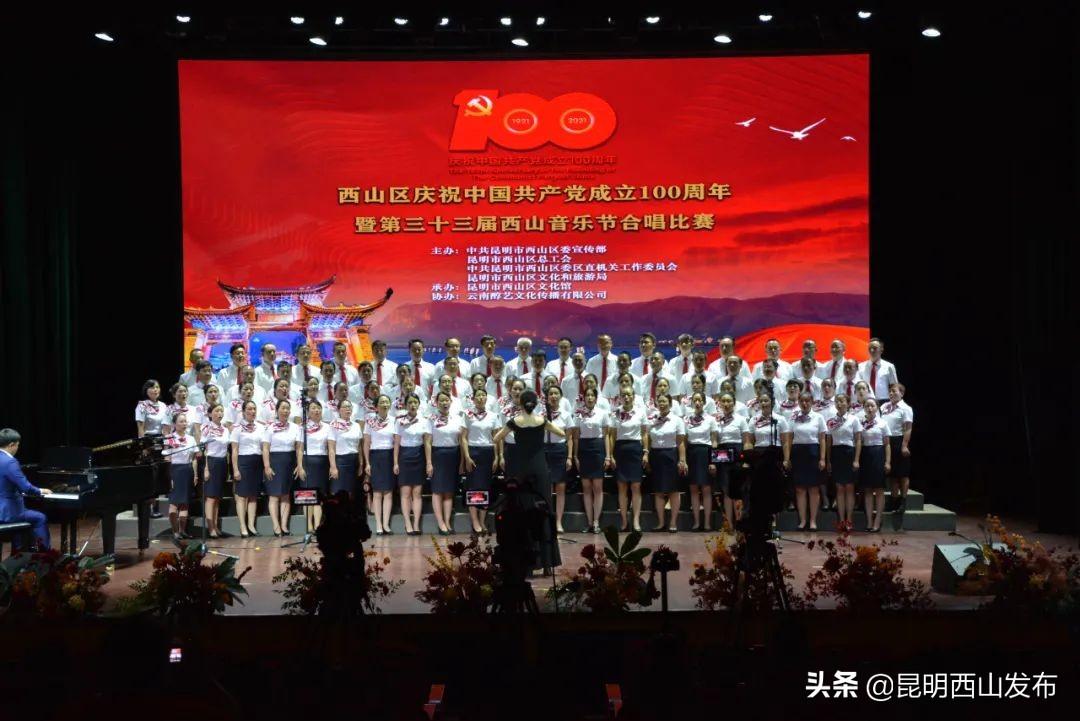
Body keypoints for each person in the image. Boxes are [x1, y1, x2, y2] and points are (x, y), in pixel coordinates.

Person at [492, 390, 565, 575]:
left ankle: (529, 565)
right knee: (544, 511)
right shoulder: (542, 420)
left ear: (521, 404)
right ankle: (547, 564)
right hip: (540, 469)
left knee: (524, 513)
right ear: (536, 403)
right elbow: (562, 433)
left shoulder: (515, 421)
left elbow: (496, 438)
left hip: (522, 471)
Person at [0, 428, 53, 550]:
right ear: (11, 445)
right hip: (6, 514)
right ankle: (45, 553)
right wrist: (40, 490)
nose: (17, 448)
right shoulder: (10, 462)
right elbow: (26, 488)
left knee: (24, 519)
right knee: (40, 518)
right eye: (17, 445)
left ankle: (18, 552)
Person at [745, 393, 792, 532]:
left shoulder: (780, 420)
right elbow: (749, 442)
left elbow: (785, 442)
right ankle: (761, 525)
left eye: (766, 400)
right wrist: (747, 460)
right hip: (759, 456)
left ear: (772, 402)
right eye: (761, 401)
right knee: (759, 491)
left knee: (773, 491)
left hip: (775, 455)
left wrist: (786, 459)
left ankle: (773, 525)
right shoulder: (754, 420)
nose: (764, 403)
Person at [607, 387, 648, 532]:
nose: (626, 397)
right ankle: (624, 521)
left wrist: (646, 452)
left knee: (636, 486)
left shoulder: (640, 412)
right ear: (620, 397)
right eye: (623, 395)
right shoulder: (615, 413)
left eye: (629, 394)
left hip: (635, 449)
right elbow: (612, 436)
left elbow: (644, 434)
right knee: (622, 487)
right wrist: (610, 455)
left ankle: (636, 521)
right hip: (620, 450)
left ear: (634, 396)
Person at [645, 393, 687, 532]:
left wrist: (682, 460)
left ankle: (673, 522)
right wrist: (647, 455)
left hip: (671, 456)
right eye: (660, 402)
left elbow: (681, 442)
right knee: (658, 491)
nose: (662, 404)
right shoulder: (652, 419)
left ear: (670, 403)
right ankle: (661, 522)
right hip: (656, 455)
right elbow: (648, 439)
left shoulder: (677, 420)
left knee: (673, 490)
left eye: (664, 401)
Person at [711, 393, 753, 530]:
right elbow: (714, 441)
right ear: (720, 404)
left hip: (738, 455)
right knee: (726, 490)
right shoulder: (716, 420)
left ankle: (740, 522)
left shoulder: (741, 420)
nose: (726, 404)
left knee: (738, 490)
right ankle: (729, 523)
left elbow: (746, 441)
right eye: (723, 401)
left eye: (729, 401)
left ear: (734, 403)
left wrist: (746, 460)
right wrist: (713, 461)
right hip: (722, 456)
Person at [461, 388, 500, 535]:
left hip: (488, 452)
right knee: (473, 488)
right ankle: (475, 521)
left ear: (486, 398)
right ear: (473, 399)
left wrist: (497, 456)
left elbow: (496, 438)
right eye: (478, 395)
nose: (481, 398)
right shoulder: (468, 415)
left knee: (485, 488)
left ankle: (482, 520)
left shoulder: (493, 416)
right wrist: (467, 457)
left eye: (483, 395)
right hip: (473, 452)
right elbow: (463, 437)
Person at [262, 399, 302, 537]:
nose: (285, 411)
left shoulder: (295, 427)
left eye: (287, 408)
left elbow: (299, 448)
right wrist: (267, 466)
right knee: (274, 495)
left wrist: (299, 464)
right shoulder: (270, 427)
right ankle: (276, 525)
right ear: (277, 410)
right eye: (283, 408)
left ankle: (284, 525)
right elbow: (265, 448)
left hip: (289, 462)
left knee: (285, 495)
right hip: (274, 461)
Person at [571, 387, 608, 534]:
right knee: (586, 487)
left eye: (593, 395)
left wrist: (608, 456)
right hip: (583, 449)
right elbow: (575, 437)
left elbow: (606, 436)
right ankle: (589, 522)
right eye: (588, 395)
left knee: (597, 487)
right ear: (584, 398)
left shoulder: (602, 413)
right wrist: (575, 456)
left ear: (596, 398)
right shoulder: (578, 414)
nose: (590, 398)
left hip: (598, 448)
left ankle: (596, 521)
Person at [789, 392, 827, 531]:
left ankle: (813, 521)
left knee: (813, 489)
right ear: (798, 402)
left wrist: (822, 458)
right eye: (802, 401)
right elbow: (789, 437)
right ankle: (803, 520)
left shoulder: (818, 417)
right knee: (800, 489)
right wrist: (788, 457)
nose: (804, 404)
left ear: (812, 402)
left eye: (807, 401)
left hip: (813, 453)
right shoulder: (793, 417)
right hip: (798, 453)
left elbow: (822, 439)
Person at [430, 391, 464, 535]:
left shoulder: (457, 418)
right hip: (437, 455)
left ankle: (447, 522)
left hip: (453, 454)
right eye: (441, 400)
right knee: (438, 490)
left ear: (451, 401)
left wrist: (462, 461)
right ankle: (440, 523)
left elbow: (462, 440)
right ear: (436, 403)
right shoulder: (431, 419)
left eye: (447, 400)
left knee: (449, 490)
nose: (444, 403)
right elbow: (427, 442)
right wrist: (428, 462)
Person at [854, 398, 891, 533]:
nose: (869, 408)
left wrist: (887, 462)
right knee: (868, 490)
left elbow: (887, 444)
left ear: (877, 407)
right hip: (865, 455)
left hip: (878, 455)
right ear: (864, 408)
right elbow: (858, 441)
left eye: (872, 406)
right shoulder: (860, 423)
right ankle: (869, 521)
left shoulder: (882, 423)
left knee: (879, 490)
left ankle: (877, 520)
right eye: (867, 406)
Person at [683, 392, 718, 532]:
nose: (697, 402)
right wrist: (684, 459)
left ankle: (707, 523)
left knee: (706, 489)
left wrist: (713, 460)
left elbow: (714, 441)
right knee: (693, 488)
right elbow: (684, 440)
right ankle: (697, 522)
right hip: (692, 453)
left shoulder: (710, 419)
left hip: (705, 452)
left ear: (704, 402)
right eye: (695, 400)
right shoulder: (686, 419)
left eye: (700, 400)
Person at [542, 385, 575, 533]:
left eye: (556, 393)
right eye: (551, 394)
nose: (553, 396)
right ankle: (547, 520)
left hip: (560, 450)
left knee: (560, 487)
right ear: (547, 397)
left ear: (560, 396)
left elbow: (570, 438)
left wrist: (569, 457)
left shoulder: (566, 415)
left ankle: (558, 522)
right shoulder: (541, 414)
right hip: (544, 450)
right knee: (546, 488)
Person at [364, 395, 398, 536]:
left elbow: (396, 442)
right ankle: (378, 525)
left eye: (387, 402)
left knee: (388, 492)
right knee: (377, 492)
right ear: (376, 406)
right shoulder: (370, 422)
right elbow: (366, 443)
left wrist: (395, 462)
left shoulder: (394, 421)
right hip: (376, 456)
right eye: (382, 402)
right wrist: (367, 463)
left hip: (389, 456)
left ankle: (386, 525)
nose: (385, 404)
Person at [230, 400, 263, 538]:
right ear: (243, 412)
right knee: (242, 496)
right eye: (249, 409)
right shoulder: (237, 429)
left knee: (253, 496)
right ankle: (242, 526)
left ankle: (251, 525)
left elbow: (264, 446)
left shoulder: (260, 427)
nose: (252, 411)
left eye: (254, 408)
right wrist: (235, 469)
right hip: (243, 462)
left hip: (257, 462)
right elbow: (234, 450)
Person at [164, 411, 200, 542]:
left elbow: (194, 458)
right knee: (173, 506)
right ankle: (175, 531)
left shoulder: (191, 438)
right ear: (174, 424)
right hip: (175, 471)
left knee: (185, 504)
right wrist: (169, 477)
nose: (184, 424)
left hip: (187, 470)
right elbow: (167, 459)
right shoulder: (169, 438)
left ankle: (182, 531)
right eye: (181, 421)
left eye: (185, 421)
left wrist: (195, 474)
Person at [826, 394, 860, 529]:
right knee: (839, 488)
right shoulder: (831, 421)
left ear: (848, 403)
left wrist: (856, 459)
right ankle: (841, 520)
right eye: (837, 401)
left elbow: (858, 440)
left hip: (849, 453)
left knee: (849, 488)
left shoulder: (853, 419)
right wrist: (828, 460)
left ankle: (849, 520)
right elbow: (829, 441)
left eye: (842, 401)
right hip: (836, 454)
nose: (839, 404)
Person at [881, 383, 914, 520]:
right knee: (892, 475)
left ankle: (903, 501)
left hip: (899, 441)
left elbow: (908, 428)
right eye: (890, 391)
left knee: (903, 474)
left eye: (894, 391)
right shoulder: (884, 407)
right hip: (886, 441)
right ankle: (894, 501)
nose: (891, 393)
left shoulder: (906, 408)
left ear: (902, 393)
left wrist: (904, 445)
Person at [300, 400, 332, 534]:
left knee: (320, 495)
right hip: (308, 461)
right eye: (313, 408)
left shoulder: (327, 427)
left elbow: (330, 447)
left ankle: (318, 526)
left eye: (319, 408)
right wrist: (299, 465)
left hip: (322, 462)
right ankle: (309, 525)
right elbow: (299, 448)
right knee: (307, 496)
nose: (317, 410)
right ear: (308, 412)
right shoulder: (303, 427)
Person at [199, 403, 231, 539]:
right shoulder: (206, 428)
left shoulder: (225, 429)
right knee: (211, 497)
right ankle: (210, 527)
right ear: (210, 414)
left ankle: (216, 526)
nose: (220, 413)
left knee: (217, 497)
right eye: (217, 411)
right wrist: (206, 468)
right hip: (211, 462)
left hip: (222, 462)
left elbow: (226, 449)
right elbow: (204, 450)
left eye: (221, 411)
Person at [328, 399, 364, 500]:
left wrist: (361, 464)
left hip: (354, 461)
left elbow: (359, 446)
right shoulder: (334, 425)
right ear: (339, 410)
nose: (348, 409)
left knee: (351, 491)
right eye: (345, 407)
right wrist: (333, 467)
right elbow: (331, 448)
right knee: (337, 491)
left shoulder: (356, 425)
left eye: (349, 407)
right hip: (340, 461)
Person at [859, 337, 900, 403]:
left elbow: (894, 386)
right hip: (866, 402)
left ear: (881, 350)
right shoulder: (860, 366)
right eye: (870, 348)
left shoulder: (889, 366)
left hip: (884, 402)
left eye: (875, 348)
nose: (872, 350)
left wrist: (895, 402)